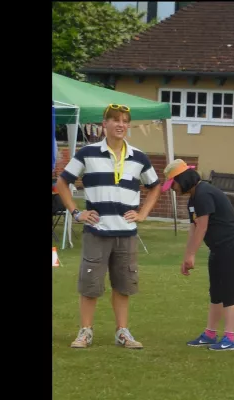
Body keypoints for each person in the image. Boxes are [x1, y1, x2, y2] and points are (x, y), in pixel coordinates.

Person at [57, 103, 162, 350]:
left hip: (126, 233)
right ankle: (85, 332)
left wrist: (143, 213)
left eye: (125, 121)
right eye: (115, 120)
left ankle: (122, 333)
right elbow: (62, 182)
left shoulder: (138, 157)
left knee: (124, 284)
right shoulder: (87, 153)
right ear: (104, 124)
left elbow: (156, 185)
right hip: (97, 231)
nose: (121, 125)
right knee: (90, 285)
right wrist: (77, 212)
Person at [162, 159, 234, 351]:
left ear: (182, 179)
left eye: (173, 184)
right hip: (218, 248)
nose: (173, 189)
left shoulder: (203, 193)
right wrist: (187, 256)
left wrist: (192, 254)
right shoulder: (194, 198)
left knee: (228, 292)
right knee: (216, 292)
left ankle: (230, 338)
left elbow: (203, 226)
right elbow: (193, 227)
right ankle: (210, 334)